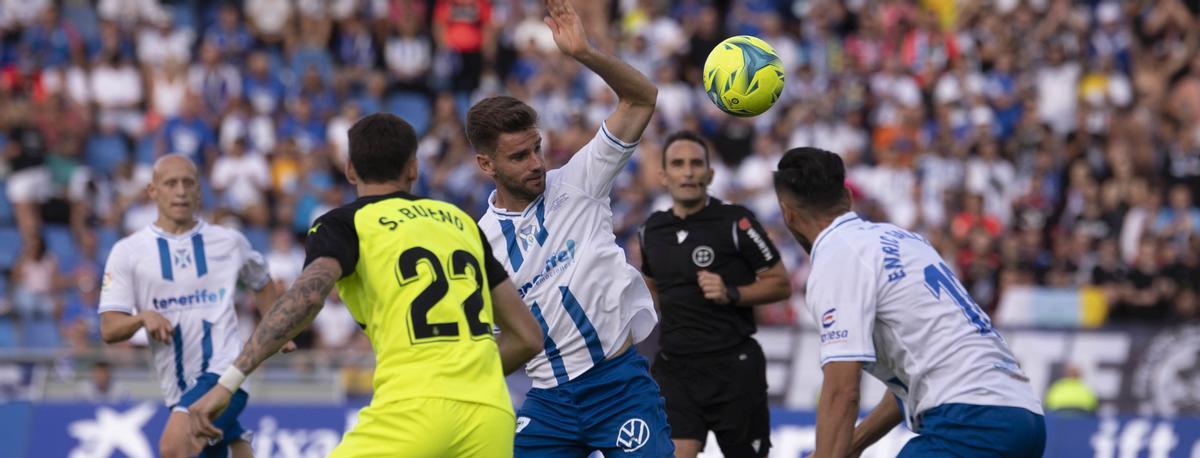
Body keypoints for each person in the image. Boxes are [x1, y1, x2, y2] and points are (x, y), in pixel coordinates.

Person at [188, 113, 544, 457]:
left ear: (350, 170)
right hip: (490, 414)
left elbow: (309, 297)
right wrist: (466, 379)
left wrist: (228, 382)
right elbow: (527, 336)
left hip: (413, 411)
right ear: (414, 168)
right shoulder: (459, 221)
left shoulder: (345, 223)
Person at [468, 0, 671, 455]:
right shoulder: (478, 244)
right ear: (486, 164)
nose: (537, 164)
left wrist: (585, 53)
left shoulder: (580, 180)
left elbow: (642, 99)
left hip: (618, 386)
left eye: (536, 149)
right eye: (519, 156)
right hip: (548, 405)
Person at [772, 147, 1045, 457]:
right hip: (1023, 415)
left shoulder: (838, 258)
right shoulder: (904, 239)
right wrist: (852, 446)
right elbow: (912, 381)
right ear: (847, 198)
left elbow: (841, 391)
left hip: (970, 423)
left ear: (788, 214)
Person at [98, 154, 290, 458]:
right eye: (171, 183)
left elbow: (262, 281)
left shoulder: (229, 242)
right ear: (152, 191)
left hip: (227, 373)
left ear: (199, 190)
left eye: (188, 183)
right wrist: (142, 318)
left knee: (175, 447)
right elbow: (109, 328)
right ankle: (235, 444)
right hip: (177, 386)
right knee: (219, 450)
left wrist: (278, 324)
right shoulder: (128, 252)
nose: (181, 191)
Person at [638, 131, 791, 458]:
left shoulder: (737, 222)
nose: (688, 172)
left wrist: (731, 293)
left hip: (734, 370)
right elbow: (651, 285)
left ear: (710, 174)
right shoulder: (651, 229)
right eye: (678, 164)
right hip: (675, 369)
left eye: (696, 164)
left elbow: (780, 282)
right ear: (664, 176)